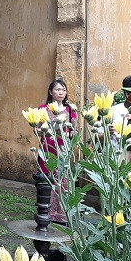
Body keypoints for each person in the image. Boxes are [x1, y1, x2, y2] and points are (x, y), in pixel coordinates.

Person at [38, 79, 77, 223]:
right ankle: (45, 211)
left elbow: (75, 130)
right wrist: (43, 131)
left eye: (63, 90)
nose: (61, 92)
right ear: (50, 92)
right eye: (58, 89)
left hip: (63, 149)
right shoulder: (43, 109)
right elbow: (37, 128)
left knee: (62, 180)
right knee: (47, 179)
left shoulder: (70, 110)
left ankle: (61, 214)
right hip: (47, 148)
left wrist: (70, 133)